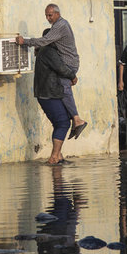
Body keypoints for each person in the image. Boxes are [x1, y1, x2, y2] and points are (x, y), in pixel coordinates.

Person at [17, 4, 87, 139]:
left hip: (68, 63)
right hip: (56, 79)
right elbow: (46, 41)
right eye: (46, 15)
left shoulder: (60, 25)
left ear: (57, 14)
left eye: (50, 15)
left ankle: (77, 119)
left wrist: (24, 41)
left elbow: (46, 40)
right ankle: (76, 120)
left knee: (65, 89)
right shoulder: (57, 29)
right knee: (64, 89)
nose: (48, 18)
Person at [33, 29, 78, 164]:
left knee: (60, 122)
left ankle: (58, 155)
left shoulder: (45, 50)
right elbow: (61, 68)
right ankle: (54, 157)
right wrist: (73, 76)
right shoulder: (49, 51)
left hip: (48, 93)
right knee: (63, 123)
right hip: (49, 94)